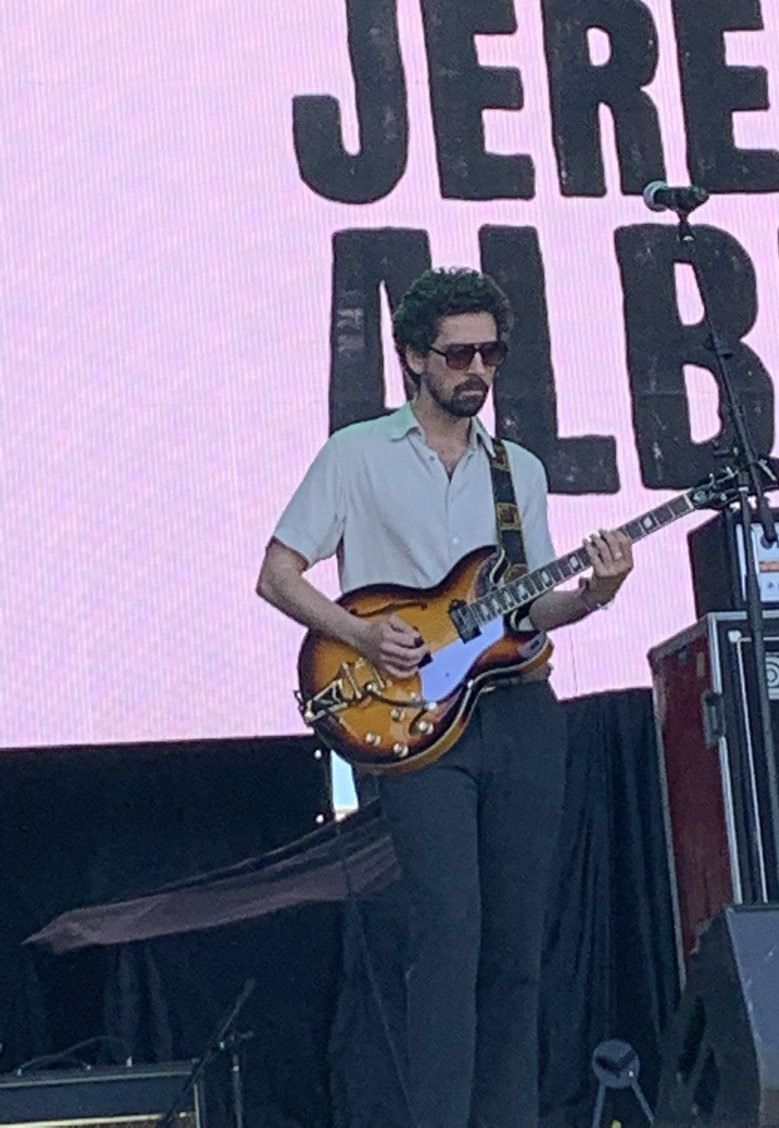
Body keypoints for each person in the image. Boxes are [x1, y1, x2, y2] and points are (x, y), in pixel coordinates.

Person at [256, 267, 634, 1128]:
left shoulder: (517, 470)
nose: (478, 370)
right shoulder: (355, 454)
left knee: (516, 948)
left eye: (491, 353)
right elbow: (278, 574)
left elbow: (530, 603)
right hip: (417, 723)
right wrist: (358, 635)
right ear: (412, 359)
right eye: (459, 353)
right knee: (449, 931)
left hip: (519, 711)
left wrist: (596, 594)